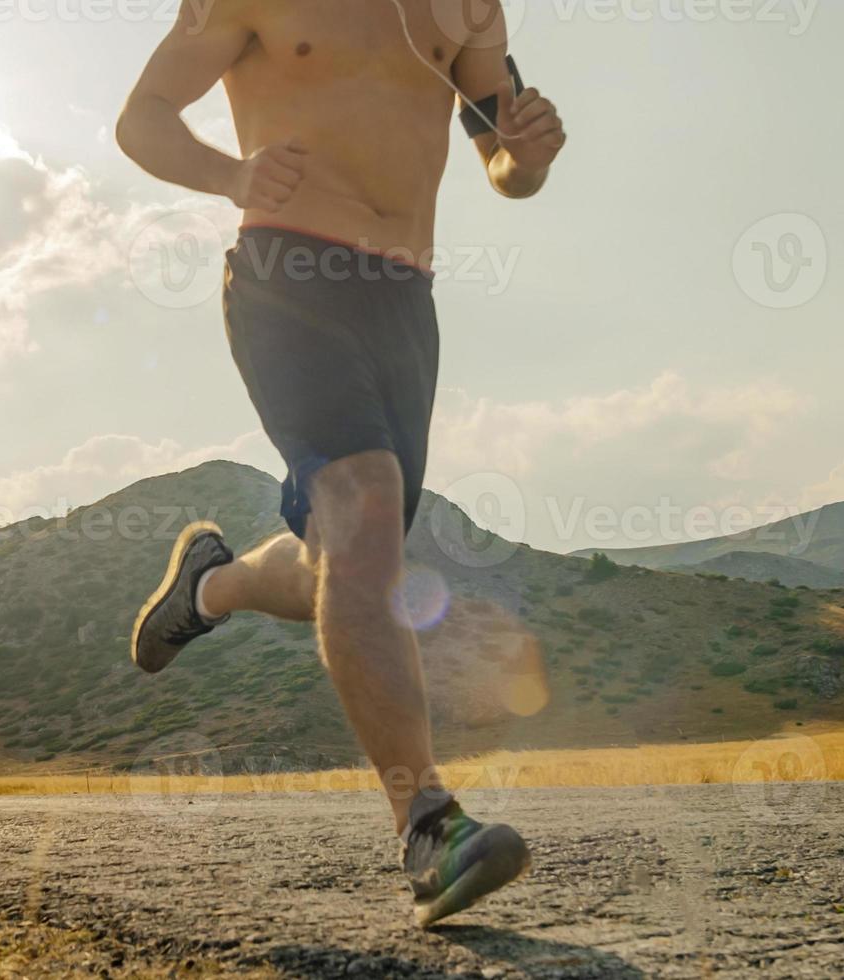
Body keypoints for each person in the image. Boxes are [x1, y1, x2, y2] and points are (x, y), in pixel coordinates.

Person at [114, 0, 566, 928]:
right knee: (363, 512)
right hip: (289, 274)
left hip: (406, 297)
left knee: (348, 558)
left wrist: (529, 154)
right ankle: (428, 827)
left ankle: (216, 587)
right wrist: (232, 174)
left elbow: (502, 164)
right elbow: (143, 119)